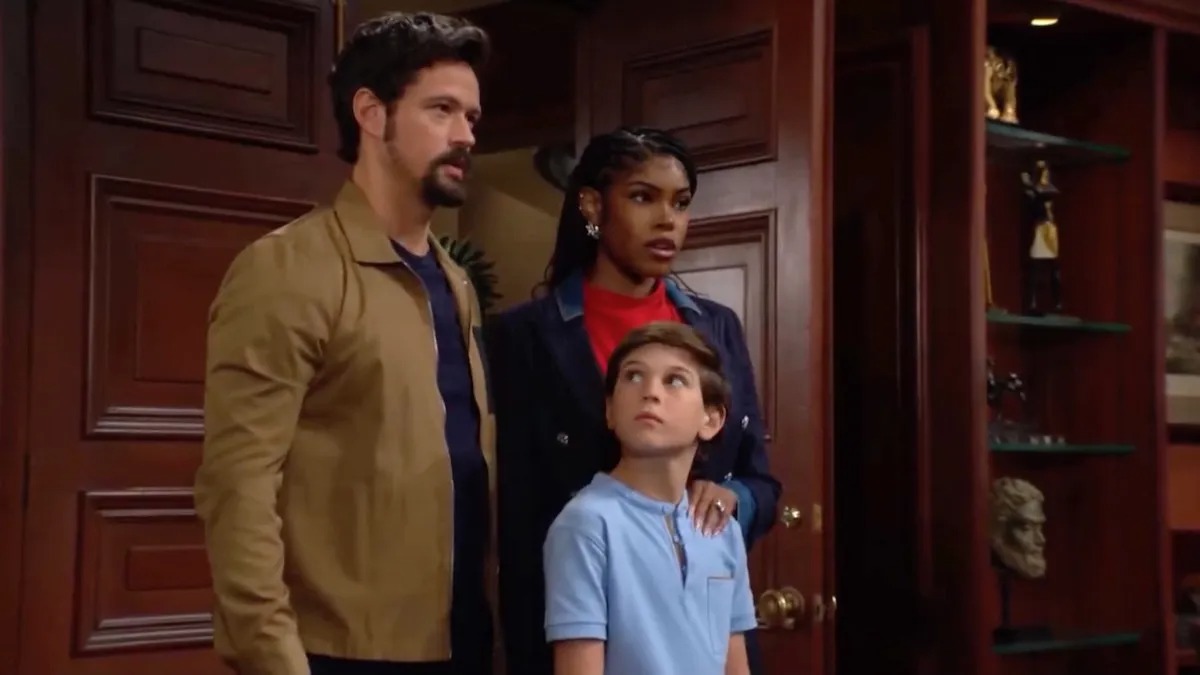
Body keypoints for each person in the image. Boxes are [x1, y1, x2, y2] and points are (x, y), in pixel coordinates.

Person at [194, 12, 495, 675]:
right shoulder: (288, 268)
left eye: (471, 116)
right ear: (371, 112)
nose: (466, 135)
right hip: (340, 652)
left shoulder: (456, 281)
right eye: (442, 110)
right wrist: (273, 657)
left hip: (463, 639)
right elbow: (238, 486)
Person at [486, 127, 780, 675]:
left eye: (681, 203)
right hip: (580, 634)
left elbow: (761, 481)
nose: (667, 219)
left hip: (702, 634)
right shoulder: (526, 337)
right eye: (644, 197)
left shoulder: (718, 328)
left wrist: (732, 499)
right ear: (593, 206)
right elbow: (519, 521)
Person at [544, 322, 755, 675]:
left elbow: (735, 665)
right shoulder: (587, 524)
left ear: (711, 419)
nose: (650, 392)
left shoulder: (722, 529)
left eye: (675, 380)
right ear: (610, 411)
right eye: (633, 376)